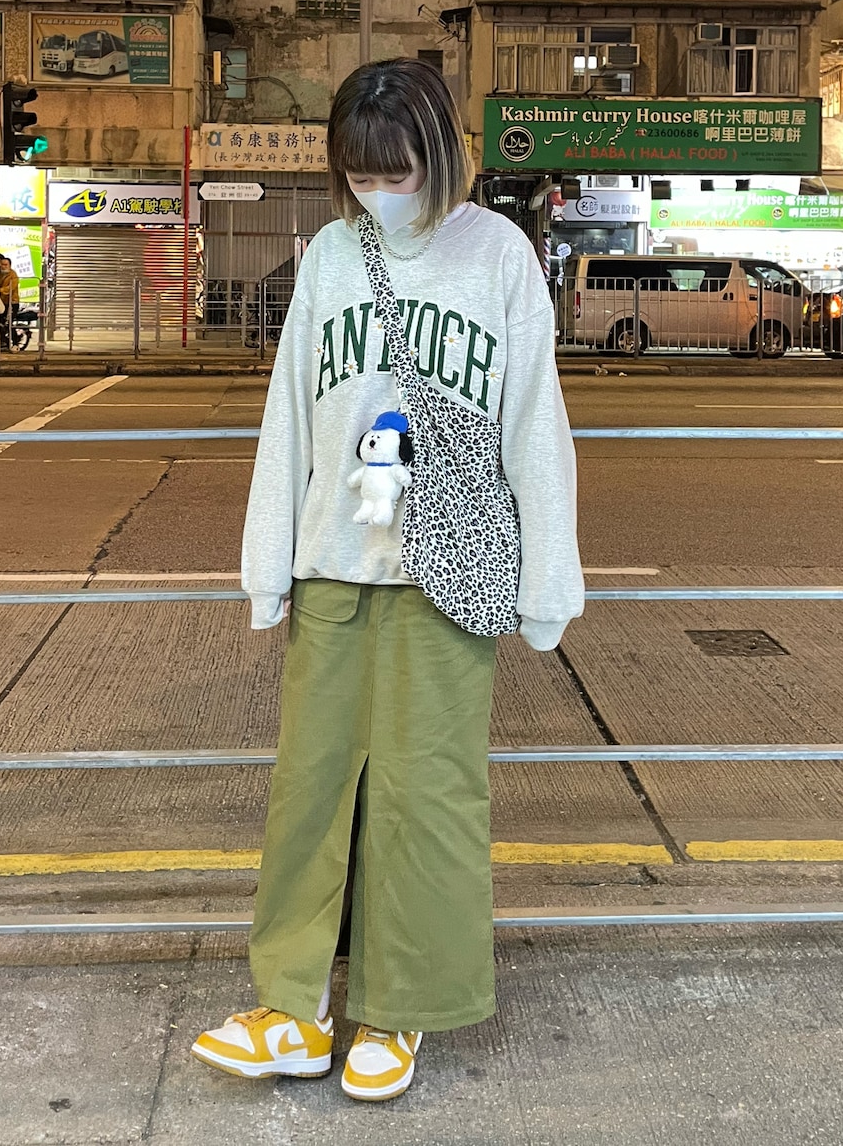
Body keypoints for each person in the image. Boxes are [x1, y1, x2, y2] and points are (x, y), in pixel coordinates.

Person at [191, 58, 584, 1102]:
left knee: (428, 793)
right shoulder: (331, 255)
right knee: (308, 786)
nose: (379, 193)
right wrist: (265, 562)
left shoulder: (497, 255)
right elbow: (288, 412)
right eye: (360, 176)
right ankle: (291, 1007)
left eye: (397, 173)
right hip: (333, 557)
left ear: (442, 155)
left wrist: (548, 581)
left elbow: (533, 421)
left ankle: (400, 1005)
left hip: (447, 573)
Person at [0, 253, 20, 346]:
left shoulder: (13, 275)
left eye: (5, 265)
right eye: (2, 264)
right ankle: (3, 342)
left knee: (9, 323)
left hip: (12, 303)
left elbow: (11, 287)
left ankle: (15, 343)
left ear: (10, 265)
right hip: (2, 302)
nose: (3, 266)